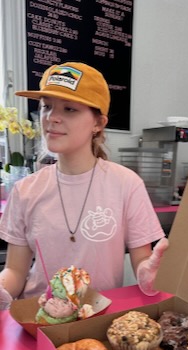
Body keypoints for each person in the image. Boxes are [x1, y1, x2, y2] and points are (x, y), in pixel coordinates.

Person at [0, 61, 169, 307]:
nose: (52, 118)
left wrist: (148, 275)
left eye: (69, 109)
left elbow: (142, 260)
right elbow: (15, 271)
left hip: (98, 321)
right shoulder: (25, 190)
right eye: (47, 107)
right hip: (39, 318)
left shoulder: (126, 184)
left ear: (98, 123)